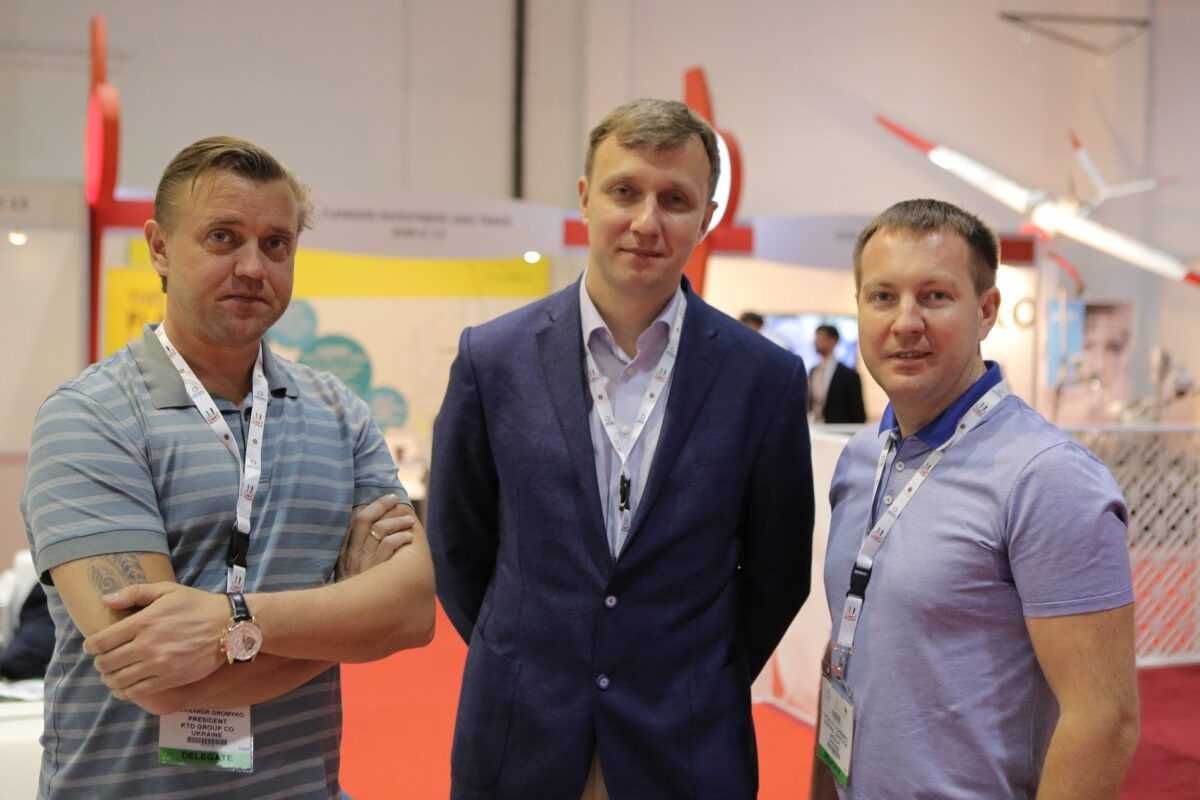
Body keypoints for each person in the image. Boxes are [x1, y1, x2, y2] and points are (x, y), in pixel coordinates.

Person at [21, 136, 436, 799]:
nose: (252, 266)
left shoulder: (339, 413)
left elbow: (411, 614)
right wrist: (347, 620)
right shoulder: (91, 417)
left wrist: (227, 621)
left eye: (276, 245)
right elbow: (157, 679)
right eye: (223, 238)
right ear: (159, 247)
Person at [428, 98, 815, 800]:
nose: (646, 221)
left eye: (675, 200)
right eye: (624, 192)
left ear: (707, 217)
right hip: (521, 737)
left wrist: (699, 676)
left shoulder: (764, 378)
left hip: (687, 744)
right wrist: (527, 657)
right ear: (585, 198)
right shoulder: (494, 359)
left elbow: (777, 573)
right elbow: (458, 547)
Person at [811, 199, 1139, 799]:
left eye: (935, 296)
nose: (905, 322)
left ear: (986, 311)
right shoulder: (862, 459)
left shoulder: (1047, 477)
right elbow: (843, 652)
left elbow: (1103, 721)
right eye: (883, 296)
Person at [808, 324, 866, 424]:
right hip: (815, 429)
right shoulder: (813, 371)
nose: (816, 342)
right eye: (816, 338)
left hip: (839, 430)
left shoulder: (849, 375)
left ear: (833, 341)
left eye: (821, 338)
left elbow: (858, 415)